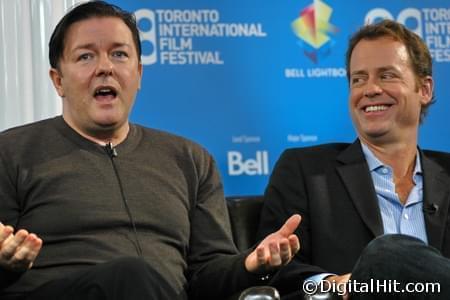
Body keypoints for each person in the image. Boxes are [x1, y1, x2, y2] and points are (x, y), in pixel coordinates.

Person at [0, 2, 301, 300]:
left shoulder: (191, 160)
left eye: (119, 54)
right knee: (130, 275)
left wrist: (249, 265)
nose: (105, 67)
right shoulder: (10, 153)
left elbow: (207, 276)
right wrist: (5, 265)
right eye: (85, 56)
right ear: (58, 80)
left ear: (139, 73)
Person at [257, 19, 450, 299]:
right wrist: (338, 285)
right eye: (358, 79)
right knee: (385, 257)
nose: (369, 89)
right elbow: (277, 272)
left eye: (386, 75)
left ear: (424, 89)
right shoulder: (305, 172)